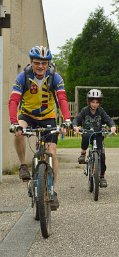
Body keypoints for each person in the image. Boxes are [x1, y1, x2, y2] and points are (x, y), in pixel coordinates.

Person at [8, 45, 71, 210]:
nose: (41, 66)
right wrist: (14, 122)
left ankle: (52, 191)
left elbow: (62, 99)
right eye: (37, 63)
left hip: (48, 117)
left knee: (52, 152)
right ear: (31, 62)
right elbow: (14, 100)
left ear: (48, 63)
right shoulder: (23, 77)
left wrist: (67, 120)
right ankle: (23, 165)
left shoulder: (55, 77)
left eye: (44, 63)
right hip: (27, 115)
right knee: (18, 133)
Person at [72, 89, 116, 188]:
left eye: (97, 102)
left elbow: (108, 119)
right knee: (85, 137)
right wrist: (75, 126)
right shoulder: (85, 110)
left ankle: (101, 176)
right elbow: (76, 119)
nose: (94, 104)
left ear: (100, 103)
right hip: (87, 132)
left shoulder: (101, 111)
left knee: (102, 155)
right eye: (92, 102)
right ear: (89, 102)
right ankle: (83, 154)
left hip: (98, 134)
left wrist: (112, 126)